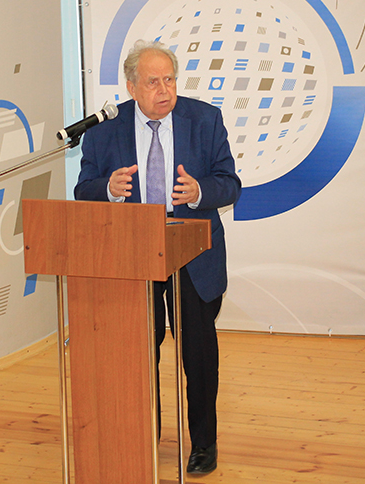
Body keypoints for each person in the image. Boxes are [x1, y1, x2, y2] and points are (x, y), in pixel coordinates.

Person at [74, 40, 241, 475]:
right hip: (132, 253)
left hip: (193, 252)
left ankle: (204, 443)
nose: (164, 90)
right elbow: (83, 189)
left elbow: (230, 183)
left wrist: (200, 191)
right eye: (153, 82)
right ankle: (144, 435)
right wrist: (108, 189)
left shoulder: (204, 120)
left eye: (169, 79)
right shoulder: (103, 131)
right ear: (131, 87)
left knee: (198, 354)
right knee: (139, 352)